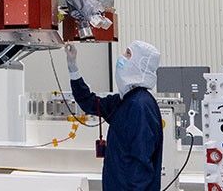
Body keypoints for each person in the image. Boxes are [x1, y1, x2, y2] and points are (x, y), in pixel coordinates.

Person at [66, 40, 163, 191]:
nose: (122, 57)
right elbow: (89, 102)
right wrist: (73, 68)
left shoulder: (140, 106)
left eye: (128, 54)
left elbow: (140, 166)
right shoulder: (124, 101)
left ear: (140, 63)